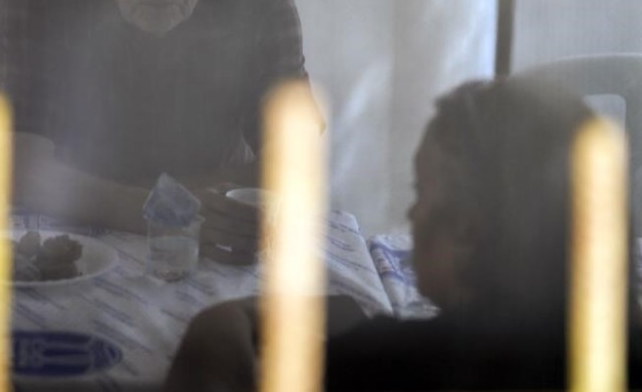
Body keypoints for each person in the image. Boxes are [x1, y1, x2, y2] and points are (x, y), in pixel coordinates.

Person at [164, 77, 642, 390]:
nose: (412, 214)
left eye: (421, 192)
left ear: (467, 232)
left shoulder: (402, 365)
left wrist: (232, 316)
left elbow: (211, 352)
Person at [0, 0, 319, 264]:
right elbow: (17, 168)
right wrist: (170, 209)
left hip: (208, 252)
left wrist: (114, 197)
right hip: (79, 254)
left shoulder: (262, 6)